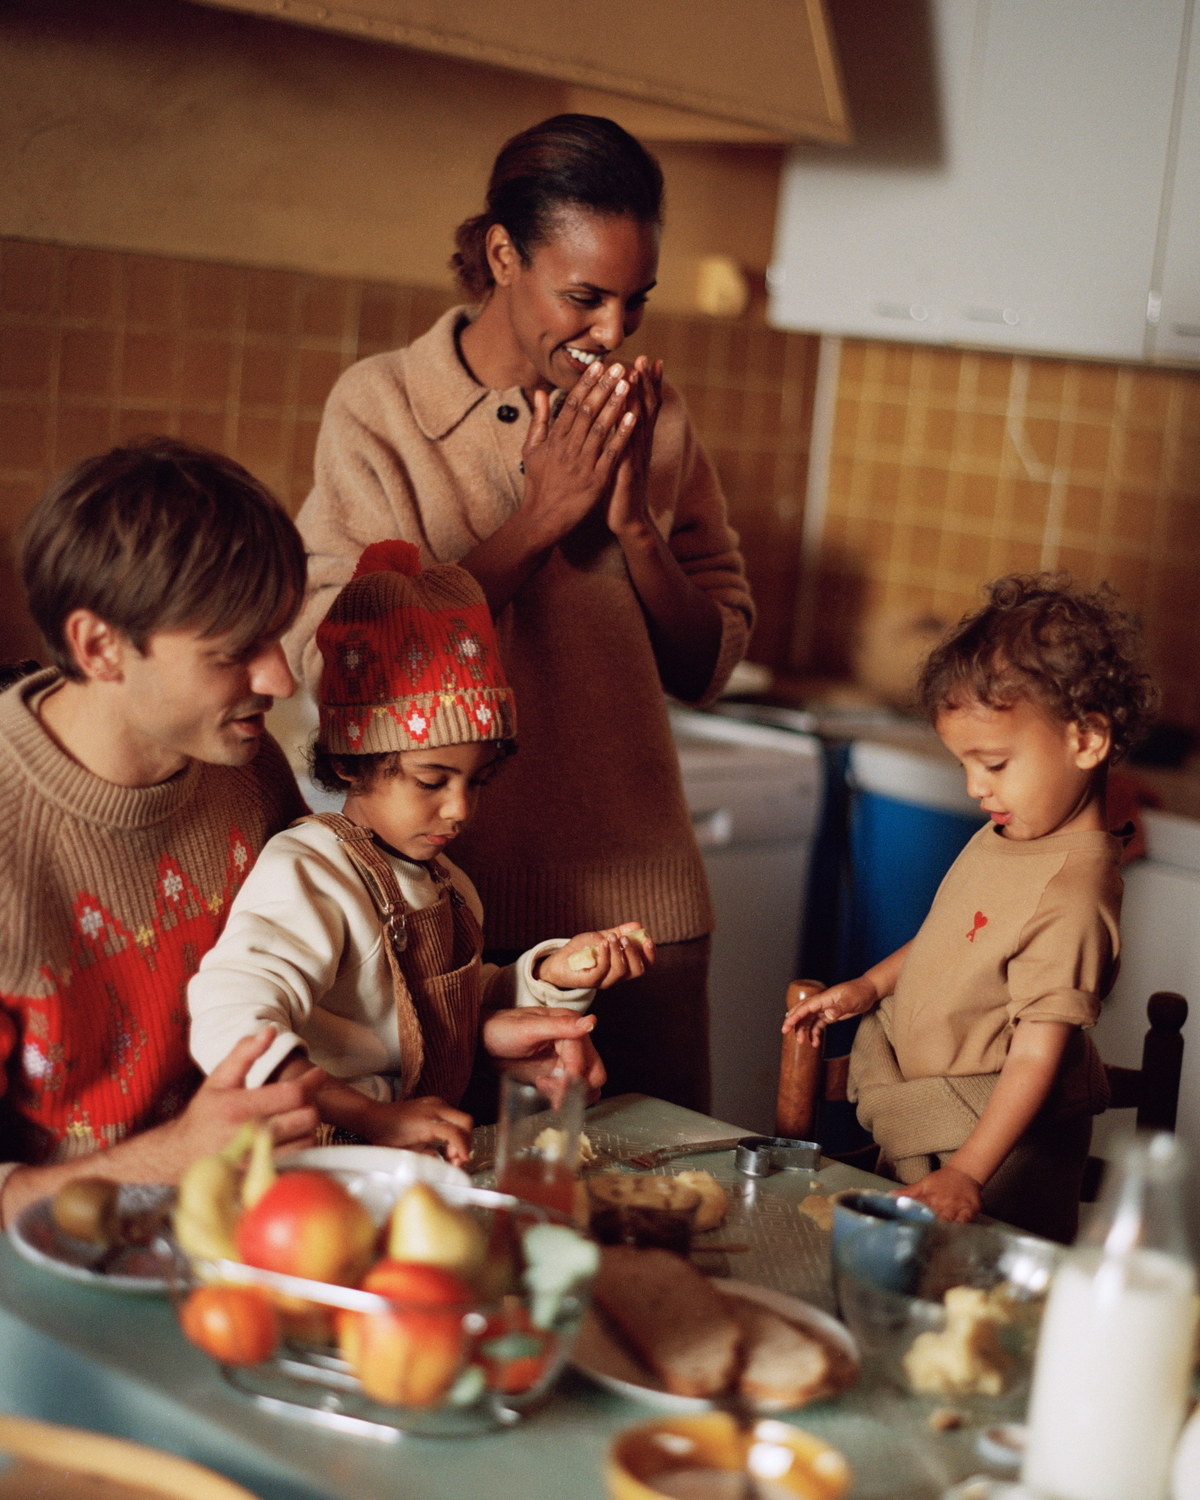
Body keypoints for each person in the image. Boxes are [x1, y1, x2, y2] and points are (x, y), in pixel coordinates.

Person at [284, 114, 755, 1113]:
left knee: (652, 1218)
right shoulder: (382, 410)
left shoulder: (653, 417)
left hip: (645, 926)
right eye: (583, 297)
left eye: (635, 302)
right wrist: (536, 519)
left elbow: (708, 660)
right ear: (503, 255)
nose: (613, 335)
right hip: (445, 919)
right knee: (464, 1228)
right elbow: (346, 671)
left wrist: (634, 533)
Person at [189, 542, 652, 1165]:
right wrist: (372, 1117)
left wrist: (547, 980)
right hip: (316, 1168)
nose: (460, 808)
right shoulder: (311, 870)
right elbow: (231, 1020)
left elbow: (445, 1012)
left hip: (413, 1161)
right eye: (432, 781)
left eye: (476, 781)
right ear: (353, 762)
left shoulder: (450, 885)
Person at [0, 440, 325, 1226]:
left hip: (252, 1228)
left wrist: (487, 1016)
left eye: (276, 636)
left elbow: (332, 964)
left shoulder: (249, 770)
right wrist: (171, 1157)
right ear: (100, 647)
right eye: (235, 650)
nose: (280, 679)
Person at [784, 574, 1159, 1242]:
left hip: (998, 1155)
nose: (974, 787)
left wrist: (970, 1173)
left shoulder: (1071, 894)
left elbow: (1036, 1060)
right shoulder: (1009, 834)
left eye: (993, 763)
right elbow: (950, 937)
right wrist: (869, 986)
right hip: (931, 1126)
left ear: (1086, 740)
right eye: (965, 764)